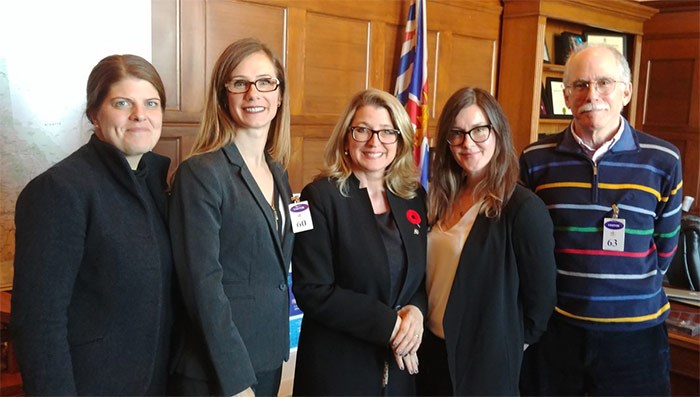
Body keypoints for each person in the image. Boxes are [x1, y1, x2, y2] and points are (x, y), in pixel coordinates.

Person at [519, 43, 684, 396]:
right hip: (557, 331)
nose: (592, 94)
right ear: (566, 95)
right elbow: (528, 247)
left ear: (626, 91)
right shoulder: (535, 160)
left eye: (604, 83)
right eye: (580, 85)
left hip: (635, 338)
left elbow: (665, 251)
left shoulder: (663, 160)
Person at [11, 54, 173, 395]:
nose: (139, 115)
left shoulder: (158, 183)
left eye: (151, 103)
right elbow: (39, 325)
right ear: (94, 114)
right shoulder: (59, 190)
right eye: (122, 102)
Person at [168, 38, 293, 397]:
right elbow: (203, 286)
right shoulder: (201, 173)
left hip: (266, 357)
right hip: (215, 372)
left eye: (265, 82)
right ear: (224, 95)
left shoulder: (277, 172)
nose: (254, 93)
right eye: (240, 83)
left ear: (280, 94)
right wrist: (236, 380)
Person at [415, 87, 557, 396]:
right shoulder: (439, 199)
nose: (468, 143)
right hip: (432, 352)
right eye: (457, 133)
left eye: (479, 130)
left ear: (497, 132)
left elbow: (541, 302)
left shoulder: (522, 208)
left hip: (483, 363)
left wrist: (503, 345)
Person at [291, 88, 427, 396]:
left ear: (400, 139)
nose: (374, 142)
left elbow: (420, 278)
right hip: (338, 370)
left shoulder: (414, 197)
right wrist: (391, 324)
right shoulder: (320, 196)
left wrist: (416, 312)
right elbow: (312, 290)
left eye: (386, 132)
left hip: (401, 369)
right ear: (346, 138)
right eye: (363, 129)